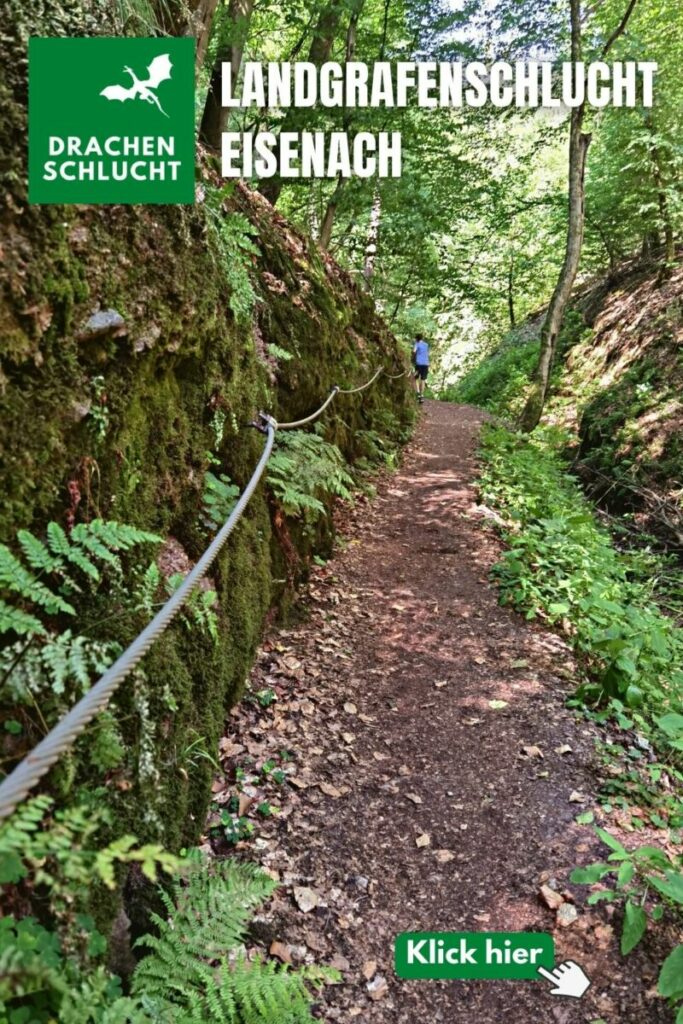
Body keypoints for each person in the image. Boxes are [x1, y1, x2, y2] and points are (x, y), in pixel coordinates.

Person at [412, 334, 430, 403]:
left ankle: (418, 393)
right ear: (422, 338)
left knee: (415, 378)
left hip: (418, 364)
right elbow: (427, 354)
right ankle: (422, 396)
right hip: (425, 364)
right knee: (423, 380)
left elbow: (414, 351)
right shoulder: (426, 345)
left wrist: (413, 359)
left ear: (416, 339)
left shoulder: (417, 344)